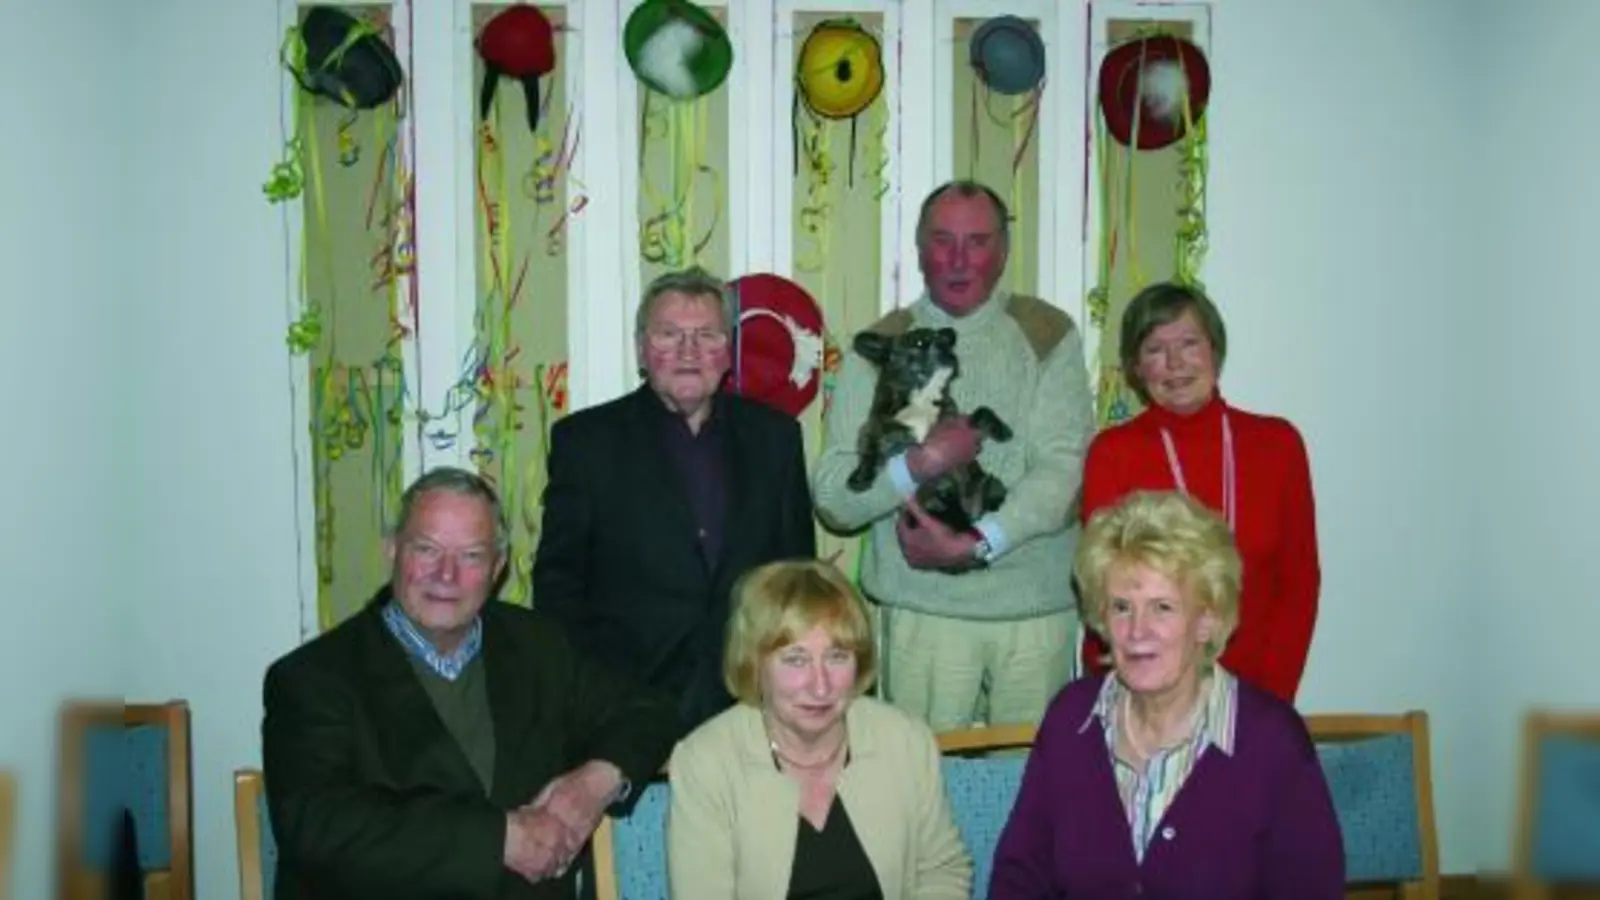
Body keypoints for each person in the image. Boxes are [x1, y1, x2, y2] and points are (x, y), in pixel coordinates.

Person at [262, 467, 681, 899]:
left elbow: (650, 712)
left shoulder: (538, 645)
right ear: (392, 550)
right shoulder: (312, 677)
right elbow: (317, 823)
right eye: (427, 549)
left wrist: (593, 783)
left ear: (497, 567)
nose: (446, 575)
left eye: (471, 556)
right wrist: (500, 839)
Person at [811, 180, 1095, 731]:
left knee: (1036, 802)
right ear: (918, 249)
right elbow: (834, 501)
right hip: (923, 620)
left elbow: (1065, 472)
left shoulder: (1047, 333)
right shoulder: (879, 346)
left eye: (979, 241)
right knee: (921, 801)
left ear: (1005, 250)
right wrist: (922, 463)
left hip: (1034, 619)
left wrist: (977, 543)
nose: (960, 259)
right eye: (943, 241)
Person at [989, 490, 1343, 898]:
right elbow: (1020, 878)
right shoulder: (1070, 719)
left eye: (1162, 608)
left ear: (1206, 622)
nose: (1138, 632)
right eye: (1122, 607)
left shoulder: (1271, 741)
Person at [534, 266, 817, 731]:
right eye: (669, 335)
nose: (689, 351)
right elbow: (559, 589)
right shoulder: (585, 443)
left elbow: (798, 578)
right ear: (641, 350)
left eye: (706, 335)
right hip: (627, 706)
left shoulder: (776, 439)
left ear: (728, 351)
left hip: (752, 703)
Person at [667, 559, 971, 899]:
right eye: (796, 659)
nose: (821, 686)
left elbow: (942, 872)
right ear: (753, 663)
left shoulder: (904, 740)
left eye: (837, 657)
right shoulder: (706, 762)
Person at [1079, 281, 1321, 703]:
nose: (1175, 363)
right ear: (1136, 367)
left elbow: (1299, 582)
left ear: (1215, 350)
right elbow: (1106, 592)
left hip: (1258, 689)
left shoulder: (1277, 445)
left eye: (1189, 343)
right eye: (1155, 349)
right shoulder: (1112, 453)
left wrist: (1270, 701)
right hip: (1144, 691)